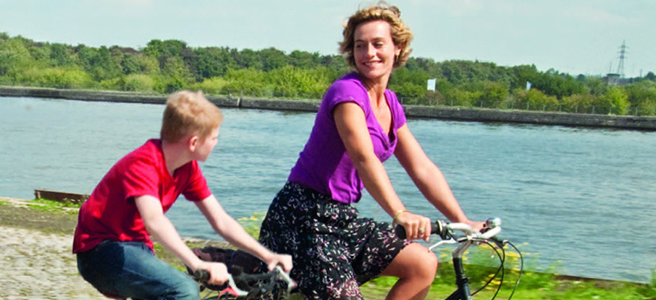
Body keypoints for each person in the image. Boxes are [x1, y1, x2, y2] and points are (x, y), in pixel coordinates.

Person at [258, 2, 483, 300]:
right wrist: (400, 213)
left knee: (423, 263)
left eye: (378, 44)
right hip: (302, 219)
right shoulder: (346, 94)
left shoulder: (390, 103)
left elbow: (421, 167)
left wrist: (462, 219)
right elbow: (363, 157)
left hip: (341, 219)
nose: (369, 54)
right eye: (360, 46)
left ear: (398, 48)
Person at [73, 90, 293, 300]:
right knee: (184, 290)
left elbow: (221, 220)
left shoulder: (187, 168)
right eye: (214, 137)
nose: (217, 142)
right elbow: (155, 222)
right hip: (99, 252)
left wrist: (267, 256)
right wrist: (196, 264)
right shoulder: (143, 164)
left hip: (136, 248)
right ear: (194, 142)